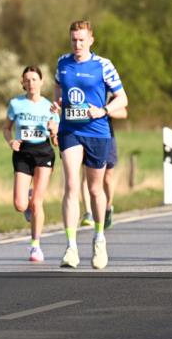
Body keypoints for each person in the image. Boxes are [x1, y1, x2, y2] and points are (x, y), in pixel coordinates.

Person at [54, 20, 128, 269]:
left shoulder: (103, 65)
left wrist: (103, 110)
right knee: (72, 186)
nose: (77, 44)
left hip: (97, 131)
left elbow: (122, 98)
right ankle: (71, 247)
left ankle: (99, 239)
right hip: (70, 130)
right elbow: (58, 88)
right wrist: (58, 107)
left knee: (95, 190)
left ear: (91, 40)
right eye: (74, 39)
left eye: (82, 40)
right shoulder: (62, 62)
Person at [4, 66, 59, 262]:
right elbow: (6, 129)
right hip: (23, 153)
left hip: (43, 153)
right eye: (27, 80)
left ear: (41, 82)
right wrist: (11, 141)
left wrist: (54, 131)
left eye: (34, 79)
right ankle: (27, 200)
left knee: (37, 202)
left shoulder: (50, 107)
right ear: (22, 82)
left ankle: (35, 246)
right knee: (20, 205)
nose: (31, 83)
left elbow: (56, 141)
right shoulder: (15, 104)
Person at [80, 94, 125, 229]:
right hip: (84, 134)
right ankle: (88, 212)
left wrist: (103, 110)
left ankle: (107, 207)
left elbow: (123, 112)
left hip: (106, 136)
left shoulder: (111, 94)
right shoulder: (85, 93)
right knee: (86, 176)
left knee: (107, 176)